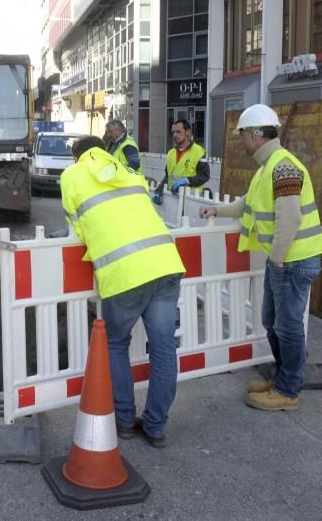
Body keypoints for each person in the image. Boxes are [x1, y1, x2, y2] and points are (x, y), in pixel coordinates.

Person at [199, 104, 322, 412]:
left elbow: (291, 217)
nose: (240, 140)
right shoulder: (268, 168)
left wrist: (279, 259)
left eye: (242, 134)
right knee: (273, 322)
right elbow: (247, 204)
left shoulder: (282, 167)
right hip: (284, 261)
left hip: (293, 261)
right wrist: (218, 210)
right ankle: (283, 379)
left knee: (287, 326)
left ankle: (288, 390)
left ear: (256, 135)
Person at [61, 135, 186, 447]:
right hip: (166, 263)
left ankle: (125, 421)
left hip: (123, 273)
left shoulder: (72, 176)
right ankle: (156, 428)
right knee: (163, 348)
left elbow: (78, 230)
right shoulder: (130, 172)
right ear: (105, 152)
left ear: (77, 157)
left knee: (116, 345)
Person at [152, 119, 209, 203]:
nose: (175, 135)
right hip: (173, 200)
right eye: (173, 132)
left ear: (188, 132)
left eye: (178, 132)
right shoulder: (171, 153)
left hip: (191, 202)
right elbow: (168, 176)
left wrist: (187, 181)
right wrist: (159, 190)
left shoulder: (199, 152)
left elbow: (204, 176)